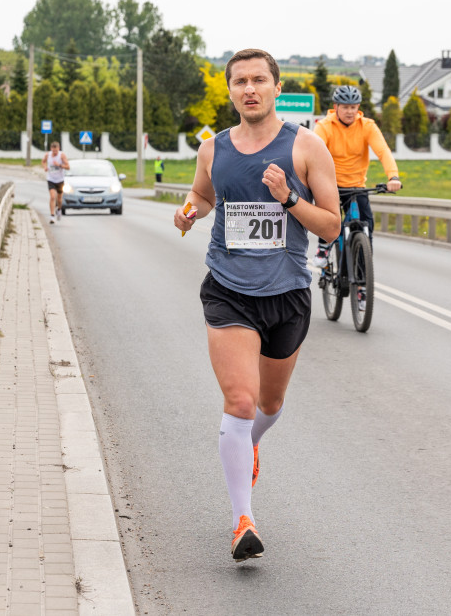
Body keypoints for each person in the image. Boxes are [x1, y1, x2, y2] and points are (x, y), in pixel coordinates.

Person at [173, 48, 340, 563]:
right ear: (230, 91)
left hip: (287, 293)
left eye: (259, 80)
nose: (250, 89)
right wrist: (189, 212)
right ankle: (242, 520)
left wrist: (289, 198)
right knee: (240, 403)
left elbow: (331, 225)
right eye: (240, 81)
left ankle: (249, 444)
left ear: (274, 87)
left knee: (268, 406)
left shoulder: (307, 147)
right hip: (228, 288)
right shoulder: (213, 149)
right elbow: (203, 195)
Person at [311, 85, 402, 265]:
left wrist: (393, 177)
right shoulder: (324, 126)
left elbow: (383, 151)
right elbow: (314, 154)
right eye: (345, 107)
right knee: (329, 220)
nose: (350, 111)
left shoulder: (367, 126)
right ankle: (323, 247)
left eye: (353, 107)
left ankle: (363, 273)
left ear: (358, 107)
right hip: (331, 185)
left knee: (367, 226)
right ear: (335, 107)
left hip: (357, 185)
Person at [41, 140, 70, 223]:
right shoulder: (48, 155)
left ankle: (59, 209)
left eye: (56, 151)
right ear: (51, 149)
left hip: (60, 180)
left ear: (59, 148)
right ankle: (52, 216)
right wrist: (45, 167)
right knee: (53, 196)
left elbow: (68, 167)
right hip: (51, 179)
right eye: (53, 151)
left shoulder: (62, 155)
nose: (55, 153)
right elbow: (43, 161)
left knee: (59, 199)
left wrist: (59, 165)